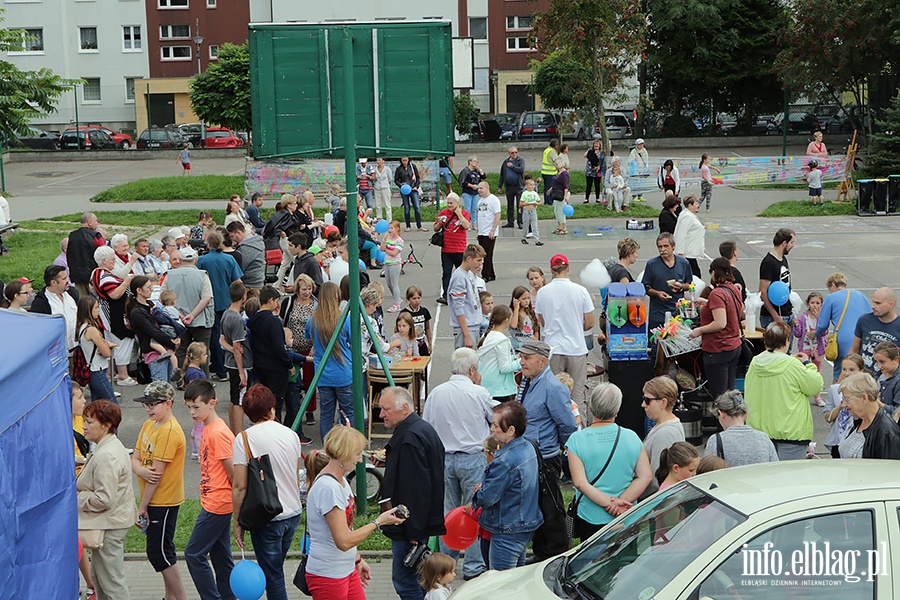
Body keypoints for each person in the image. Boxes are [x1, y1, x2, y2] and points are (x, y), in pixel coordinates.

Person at [305, 426, 406, 600]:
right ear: (343, 454)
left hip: (345, 569)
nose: (360, 459)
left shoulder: (340, 481)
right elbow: (343, 541)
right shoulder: (328, 488)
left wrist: (357, 559)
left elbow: (347, 528)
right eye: (357, 453)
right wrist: (378, 522)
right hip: (329, 574)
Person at [421, 348, 495, 580]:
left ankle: (446, 565)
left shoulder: (436, 393)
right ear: (473, 369)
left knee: (448, 513)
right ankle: (473, 567)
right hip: (473, 457)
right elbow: (496, 420)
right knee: (475, 512)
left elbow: (427, 425)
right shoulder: (478, 392)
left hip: (443, 458)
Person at [232, 385, 303, 600]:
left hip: (267, 516)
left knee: (273, 577)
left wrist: (237, 521)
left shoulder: (244, 439)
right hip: (293, 514)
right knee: (275, 570)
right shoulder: (291, 435)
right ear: (272, 408)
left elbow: (240, 486)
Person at [377, 387, 446, 600]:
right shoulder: (420, 429)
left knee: (405, 582)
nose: (381, 415)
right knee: (416, 580)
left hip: (408, 527)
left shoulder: (410, 438)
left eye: (385, 409)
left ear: (404, 408)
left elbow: (416, 490)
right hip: (415, 525)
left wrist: (414, 531)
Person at [565, 384, 652, 541]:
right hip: (626, 515)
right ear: (617, 410)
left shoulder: (576, 440)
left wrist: (609, 504)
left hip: (591, 516)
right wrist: (619, 505)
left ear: (590, 407)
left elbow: (580, 483)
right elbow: (645, 476)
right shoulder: (632, 437)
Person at [516, 339, 577, 561]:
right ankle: (542, 553)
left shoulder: (552, 387)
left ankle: (559, 554)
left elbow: (568, 425)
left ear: (542, 361)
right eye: (521, 357)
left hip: (545, 458)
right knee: (537, 507)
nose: (522, 362)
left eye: (527, 358)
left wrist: (559, 450)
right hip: (530, 455)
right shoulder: (529, 381)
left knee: (552, 510)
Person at [131, 381, 189, 600]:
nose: (148, 409)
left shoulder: (169, 431)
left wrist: (142, 507)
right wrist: (141, 471)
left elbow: (156, 476)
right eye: (146, 404)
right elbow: (134, 460)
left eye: (153, 404)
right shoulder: (149, 424)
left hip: (163, 501)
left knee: (158, 554)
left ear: (168, 404)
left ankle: (181, 597)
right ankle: (169, 597)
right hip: (153, 499)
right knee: (164, 550)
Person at [472, 401, 542, 570]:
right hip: (524, 524)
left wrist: (480, 491)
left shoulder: (504, 461)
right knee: (515, 580)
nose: (492, 429)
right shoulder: (528, 446)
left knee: (501, 585)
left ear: (511, 430)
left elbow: (487, 498)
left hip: (507, 530)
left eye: (496, 425)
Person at [77, 400, 136, 600]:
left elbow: (104, 498)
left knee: (111, 584)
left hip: (109, 526)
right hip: (110, 523)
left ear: (106, 425)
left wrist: (77, 498)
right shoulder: (109, 446)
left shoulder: (106, 454)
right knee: (102, 579)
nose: (84, 426)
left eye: (89, 422)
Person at [183, 380, 236, 600]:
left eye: (196, 407)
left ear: (212, 403)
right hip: (213, 500)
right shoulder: (208, 428)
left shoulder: (219, 433)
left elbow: (234, 474)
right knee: (221, 557)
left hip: (219, 503)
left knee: (193, 554)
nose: (192, 412)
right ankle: (228, 596)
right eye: (189, 407)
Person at [745, 322, 824, 460]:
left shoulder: (755, 362)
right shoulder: (791, 364)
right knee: (788, 476)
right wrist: (807, 364)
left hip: (759, 432)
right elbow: (815, 386)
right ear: (787, 341)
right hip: (790, 431)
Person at [535, 254, 595, 416]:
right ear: (568, 268)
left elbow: (542, 321)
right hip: (576, 348)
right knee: (577, 395)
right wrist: (575, 327)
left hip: (553, 349)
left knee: (554, 395)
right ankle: (579, 429)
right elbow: (590, 322)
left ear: (551, 270)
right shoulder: (580, 291)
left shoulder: (542, 292)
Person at [688, 258, 744, 399]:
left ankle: (721, 420)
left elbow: (720, 323)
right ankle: (733, 420)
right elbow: (735, 308)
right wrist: (706, 302)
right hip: (734, 346)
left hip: (719, 348)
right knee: (729, 393)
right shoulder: (733, 288)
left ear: (714, 272)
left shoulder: (717, 293)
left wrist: (699, 331)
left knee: (720, 397)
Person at [307, 282, 354, 439]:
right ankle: (347, 448)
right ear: (337, 297)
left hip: (323, 374)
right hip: (343, 373)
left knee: (326, 415)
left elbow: (310, 339)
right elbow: (353, 342)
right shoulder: (344, 319)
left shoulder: (312, 321)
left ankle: (327, 450)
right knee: (348, 414)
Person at [198, 231, 244, 380]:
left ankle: (220, 369)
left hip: (209, 303)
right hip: (227, 302)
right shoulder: (229, 259)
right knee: (230, 336)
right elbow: (238, 282)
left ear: (208, 244)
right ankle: (231, 365)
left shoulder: (202, 260)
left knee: (215, 337)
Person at [163, 246, 214, 377]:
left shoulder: (170, 275)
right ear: (195, 260)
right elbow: (206, 298)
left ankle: (181, 379)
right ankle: (203, 380)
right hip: (201, 319)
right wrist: (192, 315)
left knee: (180, 350)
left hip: (178, 320)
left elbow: (162, 297)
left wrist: (178, 313)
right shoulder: (202, 275)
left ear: (180, 260)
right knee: (202, 351)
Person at [91, 246, 138, 386]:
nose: (114, 262)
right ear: (104, 261)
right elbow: (114, 294)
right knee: (122, 343)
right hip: (115, 316)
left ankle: (111, 373)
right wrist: (126, 282)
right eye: (112, 260)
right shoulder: (104, 276)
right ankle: (123, 376)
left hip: (109, 315)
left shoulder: (97, 273)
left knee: (114, 344)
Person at [248, 286, 294, 423]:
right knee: (276, 402)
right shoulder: (273, 321)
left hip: (260, 364)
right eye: (276, 301)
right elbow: (279, 347)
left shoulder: (253, 319)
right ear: (270, 300)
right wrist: (289, 364)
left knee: (264, 400)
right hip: (276, 367)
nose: (277, 304)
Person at [815, 272, 871, 380]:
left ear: (833, 285)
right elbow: (870, 316)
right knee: (859, 371)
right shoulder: (860, 295)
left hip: (843, 341)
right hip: (862, 339)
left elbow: (823, 325)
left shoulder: (830, 298)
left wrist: (815, 334)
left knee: (840, 373)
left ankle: (837, 395)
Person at [280, 274, 318, 426]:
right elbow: (282, 322)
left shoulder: (316, 304)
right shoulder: (289, 302)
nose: (307, 292)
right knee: (292, 380)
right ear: (297, 289)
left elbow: (318, 325)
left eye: (309, 289)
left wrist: (315, 346)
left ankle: (310, 411)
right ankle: (293, 410)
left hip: (309, 349)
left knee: (310, 380)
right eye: (304, 289)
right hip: (292, 349)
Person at [704, 390, 779, 466]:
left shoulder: (715, 441)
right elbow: (775, 469)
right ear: (746, 414)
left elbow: (706, 473)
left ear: (721, 415)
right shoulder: (763, 438)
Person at [837, 372, 900, 459]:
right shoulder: (860, 421)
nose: (843, 404)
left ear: (864, 398)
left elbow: (888, 469)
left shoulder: (886, 431)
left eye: (847, 399)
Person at [128, 276, 179, 383]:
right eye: (148, 287)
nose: (151, 289)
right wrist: (170, 342)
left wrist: (176, 337)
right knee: (160, 388)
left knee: (168, 387)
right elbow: (152, 331)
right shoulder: (136, 312)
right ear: (139, 290)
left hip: (166, 348)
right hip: (154, 354)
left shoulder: (150, 304)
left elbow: (166, 321)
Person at [640, 376, 684, 497]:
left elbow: (656, 479)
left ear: (663, 402)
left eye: (647, 400)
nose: (643, 404)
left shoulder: (666, 433)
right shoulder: (664, 425)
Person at [641, 232, 693, 330]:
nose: (662, 249)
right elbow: (645, 287)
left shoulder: (684, 263)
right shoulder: (652, 264)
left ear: (673, 246)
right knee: (655, 344)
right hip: (657, 314)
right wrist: (657, 293)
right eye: (660, 247)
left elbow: (689, 285)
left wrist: (681, 286)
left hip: (677, 314)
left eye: (666, 246)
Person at [220, 281, 252, 434]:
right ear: (244, 296)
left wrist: (231, 349)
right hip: (240, 365)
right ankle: (237, 434)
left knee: (233, 399)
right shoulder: (238, 319)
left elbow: (221, 340)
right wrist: (241, 372)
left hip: (229, 362)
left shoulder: (226, 314)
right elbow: (238, 347)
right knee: (240, 400)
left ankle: (232, 431)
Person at [75, 296, 118, 401]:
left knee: (98, 404)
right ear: (88, 310)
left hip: (93, 370)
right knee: (112, 403)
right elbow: (107, 353)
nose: (98, 310)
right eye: (96, 308)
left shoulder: (81, 327)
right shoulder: (91, 330)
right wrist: (103, 344)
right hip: (97, 370)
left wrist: (102, 343)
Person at [850, 287, 900, 374]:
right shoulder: (864, 320)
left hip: (888, 382)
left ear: (891, 304)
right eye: (873, 302)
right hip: (864, 379)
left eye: (878, 303)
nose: (873, 306)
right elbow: (854, 350)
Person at [823, 354, 864, 458]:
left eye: (851, 370)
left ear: (861, 371)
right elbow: (828, 417)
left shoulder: (865, 392)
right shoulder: (834, 390)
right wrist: (839, 407)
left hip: (856, 441)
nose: (847, 373)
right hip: (837, 441)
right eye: (844, 369)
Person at [476, 306, 521, 402]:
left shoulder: (487, 335)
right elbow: (505, 368)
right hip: (498, 388)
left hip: (485, 383)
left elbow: (494, 358)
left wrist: (513, 357)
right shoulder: (502, 340)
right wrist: (521, 362)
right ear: (506, 320)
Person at [434, 193, 471, 306]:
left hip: (460, 249)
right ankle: (446, 295)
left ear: (457, 203)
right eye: (448, 203)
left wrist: (459, 214)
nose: (449, 205)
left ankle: (467, 293)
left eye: (451, 203)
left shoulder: (464, 213)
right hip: (446, 250)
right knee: (447, 273)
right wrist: (439, 223)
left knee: (463, 273)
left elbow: (467, 226)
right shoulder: (443, 213)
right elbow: (435, 228)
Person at [30, 265, 79, 351]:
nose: (68, 280)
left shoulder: (72, 293)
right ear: (54, 282)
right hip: (58, 352)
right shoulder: (41, 303)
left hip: (78, 348)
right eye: (64, 279)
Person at [448, 244, 486, 349]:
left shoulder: (469, 274)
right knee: (466, 363)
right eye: (478, 260)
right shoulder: (459, 277)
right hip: (466, 328)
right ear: (468, 258)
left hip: (474, 326)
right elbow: (458, 307)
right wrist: (466, 335)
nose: (480, 264)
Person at [759, 228, 795, 332]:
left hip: (787, 313)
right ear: (784, 243)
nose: (793, 245)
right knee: (778, 348)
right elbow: (763, 292)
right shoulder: (769, 263)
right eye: (791, 242)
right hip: (774, 317)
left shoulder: (783, 259)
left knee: (787, 348)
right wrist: (775, 316)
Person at [794, 292, 827, 400]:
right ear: (808, 304)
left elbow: (825, 332)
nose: (815, 305)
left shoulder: (821, 318)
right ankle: (805, 393)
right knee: (804, 370)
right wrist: (796, 326)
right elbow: (798, 334)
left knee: (818, 371)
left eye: (818, 303)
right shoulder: (803, 318)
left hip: (818, 348)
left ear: (821, 304)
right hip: (805, 348)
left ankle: (817, 396)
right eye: (812, 302)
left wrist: (818, 325)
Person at [68, 212, 105, 297]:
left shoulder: (72, 236)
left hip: (77, 275)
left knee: (83, 302)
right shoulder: (96, 236)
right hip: (93, 276)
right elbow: (104, 254)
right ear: (90, 222)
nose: (97, 223)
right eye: (96, 220)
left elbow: (69, 256)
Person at [226, 221, 265, 290]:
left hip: (250, 285)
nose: (232, 239)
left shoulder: (247, 248)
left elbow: (239, 268)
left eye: (232, 236)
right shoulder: (256, 241)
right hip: (258, 282)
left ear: (238, 233)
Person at [673, 195, 705, 278]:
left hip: (690, 252)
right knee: (695, 275)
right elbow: (681, 235)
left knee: (694, 274)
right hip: (687, 253)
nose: (698, 205)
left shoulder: (689, 215)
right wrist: (680, 253)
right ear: (690, 205)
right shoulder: (687, 216)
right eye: (696, 203)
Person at [475, 181, 502, 282]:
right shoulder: (480, 201)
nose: (479, 190)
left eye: (481, 188)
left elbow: (497, 215)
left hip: (489, 232)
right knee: (483, 254)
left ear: (487, 188)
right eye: (478, 188)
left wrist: (493, 229)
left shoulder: (493, 200)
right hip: (482, 231)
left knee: (486, 254)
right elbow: (479, 216)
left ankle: (486, 274)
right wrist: (477, 231)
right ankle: (491, 274)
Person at [400, 285, 433, 356]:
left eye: (419, 298)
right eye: (414, 298)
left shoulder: (424, 311)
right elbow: (398, 330)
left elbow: (427, 328)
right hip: (409, 345)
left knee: (424, 364)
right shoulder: (404, 313)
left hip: (421, 344)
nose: (417, 301)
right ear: (408, 299)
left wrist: (430, 343)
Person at [395, 156, 425, 232]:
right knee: (407, 208)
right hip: (404, 190)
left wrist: (416, 186)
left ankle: (419, 225)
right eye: (403, 160)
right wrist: (401, 185)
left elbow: (417, 177)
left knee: (417, 207)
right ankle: (408, 225)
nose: (404, 162)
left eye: (406, 160)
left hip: (413, 189)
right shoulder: (399, 169)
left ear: (408, 160)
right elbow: (396, 180)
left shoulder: (412, 166)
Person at [497, 146, 525, 229]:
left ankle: (520, 221)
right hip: (509, 187)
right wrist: (500, 186)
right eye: (512, 153)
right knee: (510, 205)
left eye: (516, 152)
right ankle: (510, 221)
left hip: (518, 186)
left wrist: (512, 166)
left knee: (519, 205)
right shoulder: (505, 162)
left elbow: (521, 170)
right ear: (509, 153)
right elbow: (502, 174)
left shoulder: (520, 161)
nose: (514, 154)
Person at [381, 220, 405, 312]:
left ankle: (396, 304)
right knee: (389, 284)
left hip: (395, 264)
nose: (390, 230)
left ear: (397, 229)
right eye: (389, 228)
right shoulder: (388, 238)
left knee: (394, 284)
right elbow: (382, 248)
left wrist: (385, 250)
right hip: (387, 263)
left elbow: (394, 253)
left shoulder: (399, 241)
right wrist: (384, 240)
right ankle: (397, 298)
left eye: (392, 228)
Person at [873, 341, 900, 415]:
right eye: (876, 361)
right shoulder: (878, 376)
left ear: (895, 360)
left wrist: (878, 403)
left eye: (882, 362)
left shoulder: (898, 381)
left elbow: (897, 412)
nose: (878, 366)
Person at [509, 285, 539, 350]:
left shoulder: (530, 312)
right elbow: (513, 325)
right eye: (524, 299)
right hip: (517, 346)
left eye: (528, 298)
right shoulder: (512, 312)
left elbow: (535, 328)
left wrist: (536, 340)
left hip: (530, 345)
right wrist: (516, 309)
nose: (527, 301)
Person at [519, 175, 543, 246]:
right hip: (526, 210)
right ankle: (523, 238)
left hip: (533, 210)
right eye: (530, 185)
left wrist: (536, 203)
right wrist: (527, 204)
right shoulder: (524, 193)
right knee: (525, 225)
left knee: (534, 225)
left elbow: (539, 202)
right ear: (526, 186)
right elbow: (521, 203)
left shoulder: (535, 193)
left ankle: (537, 240)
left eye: (533, 185)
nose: (532, 186)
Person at [550, 157, 570, 235]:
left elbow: (566, 186)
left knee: (561, 211)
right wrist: (551, 189)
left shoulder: (564, 174)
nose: (554, 165)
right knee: (556, 211)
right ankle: (559, 227)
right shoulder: (559, 172)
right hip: (557, 194)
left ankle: (564, 228)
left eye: (555, 164)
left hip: (562, 194)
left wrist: (565, 196)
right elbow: (557, 183)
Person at [583, 139, 606, 204]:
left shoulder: (601, 152)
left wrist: (599, 167)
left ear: (600, 145)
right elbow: (585, 156)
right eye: (595, 144)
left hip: (597, 171)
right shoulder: (590, 151)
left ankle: (597, 198)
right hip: (589, 171)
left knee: (597, 185)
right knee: (588, 185)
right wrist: (590, 151)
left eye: (597, 144)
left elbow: (602, 160)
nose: (596, 145)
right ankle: (586, 198)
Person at [540, 139, 560, 206]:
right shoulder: (552, 152)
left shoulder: (546, 150)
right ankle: (549, 202)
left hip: (544, 172)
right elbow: (556, 162)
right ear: (556, 145)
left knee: (546, 188)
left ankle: (546, 201)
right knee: (550, 188)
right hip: (550, 173)